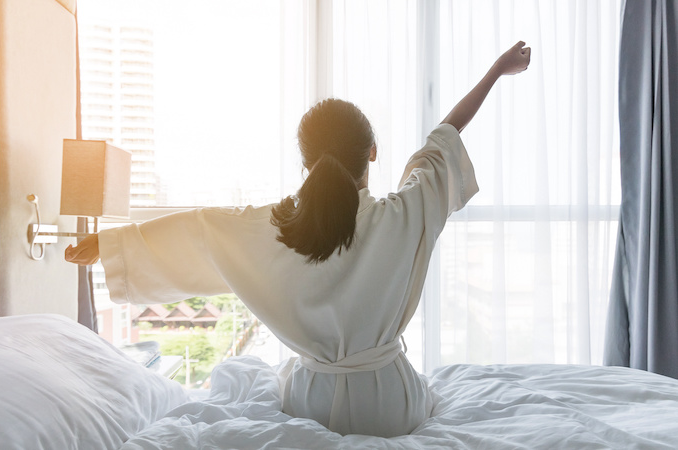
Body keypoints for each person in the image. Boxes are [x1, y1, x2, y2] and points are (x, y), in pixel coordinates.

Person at [66, 41, 530, 437]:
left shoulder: (274, 226)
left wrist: (112, 244)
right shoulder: (405, 214)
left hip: (312, 401)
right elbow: (442, 140)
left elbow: (199, 227)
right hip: (392, 406)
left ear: (305, 163)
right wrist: (495, 70)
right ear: (372, 152)